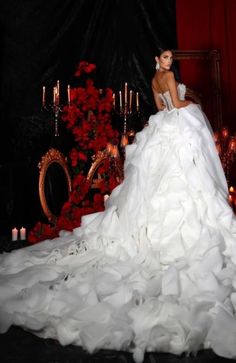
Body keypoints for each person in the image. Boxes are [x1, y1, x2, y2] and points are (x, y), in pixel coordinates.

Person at [0, 48, 236, 363]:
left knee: (159, 183)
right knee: (186, 178)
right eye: (166, 59)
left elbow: (158, 106)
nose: (169, 63)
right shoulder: (167, 77)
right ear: (160, 62)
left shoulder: (154, 79)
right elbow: (176, 105)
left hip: (162, 128)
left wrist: (176, 102)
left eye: (170, 59)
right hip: (176, 128)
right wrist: (190, 102)